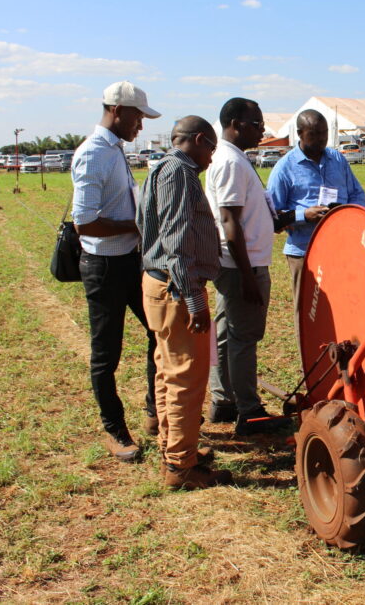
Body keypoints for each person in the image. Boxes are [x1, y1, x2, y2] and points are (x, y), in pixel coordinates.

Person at [138, 116, 232, 490]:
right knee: (186, 379)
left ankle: (175, 450)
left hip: (161, 283)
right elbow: (177, 240)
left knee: (169, 372)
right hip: (176, 289)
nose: (211, 158)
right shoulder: (178, 172)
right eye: (211, 149)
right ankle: (181, 466)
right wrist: (194, 299)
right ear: (199, 139)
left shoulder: (162, 168)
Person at [71, 81, 160, 462]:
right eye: (138, 117)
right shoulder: (93, 153)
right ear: (117, 111)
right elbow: (85, 222)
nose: (141, 125)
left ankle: (156, 410)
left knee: (160, 332)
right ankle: (115, 430)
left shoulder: (116, 150)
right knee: (107, 353)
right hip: (104, 267)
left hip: (129, 261)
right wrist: (136, 226)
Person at [205, 97, 280, 435]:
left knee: (227, 334)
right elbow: (229, 221)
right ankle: (250, 412)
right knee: (243, 339)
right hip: (241, 267)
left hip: (238, 264)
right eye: (257, 124)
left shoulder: (233, 158)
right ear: (235, 124)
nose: (262, 131)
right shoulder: (231, 162)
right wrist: (248, 276)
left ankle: (223, 400)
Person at [267, 109, 365, 296]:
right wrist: (304, 215)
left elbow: (357, 193)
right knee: (308, 308)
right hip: (304, 252)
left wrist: (348, 214)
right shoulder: (284, 168)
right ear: (300, 133)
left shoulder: (337, 159)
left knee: (343, 302)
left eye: (324, 133)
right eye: (314, 134)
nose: (321, 138)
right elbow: (271, 216)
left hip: (341, 248)